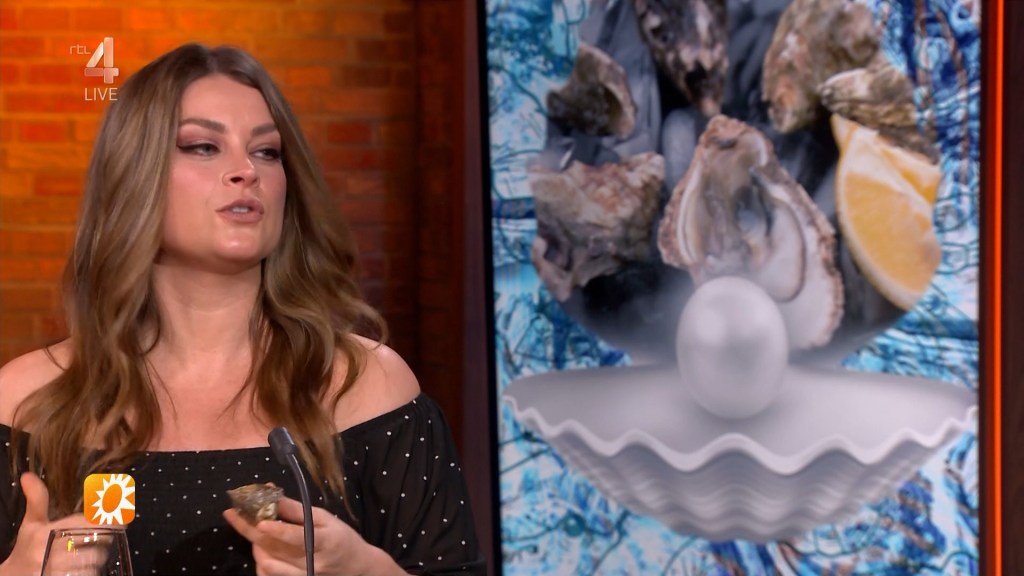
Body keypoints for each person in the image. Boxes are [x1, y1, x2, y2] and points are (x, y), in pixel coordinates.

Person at [0, 43, 485, 575]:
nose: (246, 171)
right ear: (131, 175)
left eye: (267, 152)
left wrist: (367, 571)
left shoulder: (368, 386)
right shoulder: (24, 403)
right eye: (203, 146)